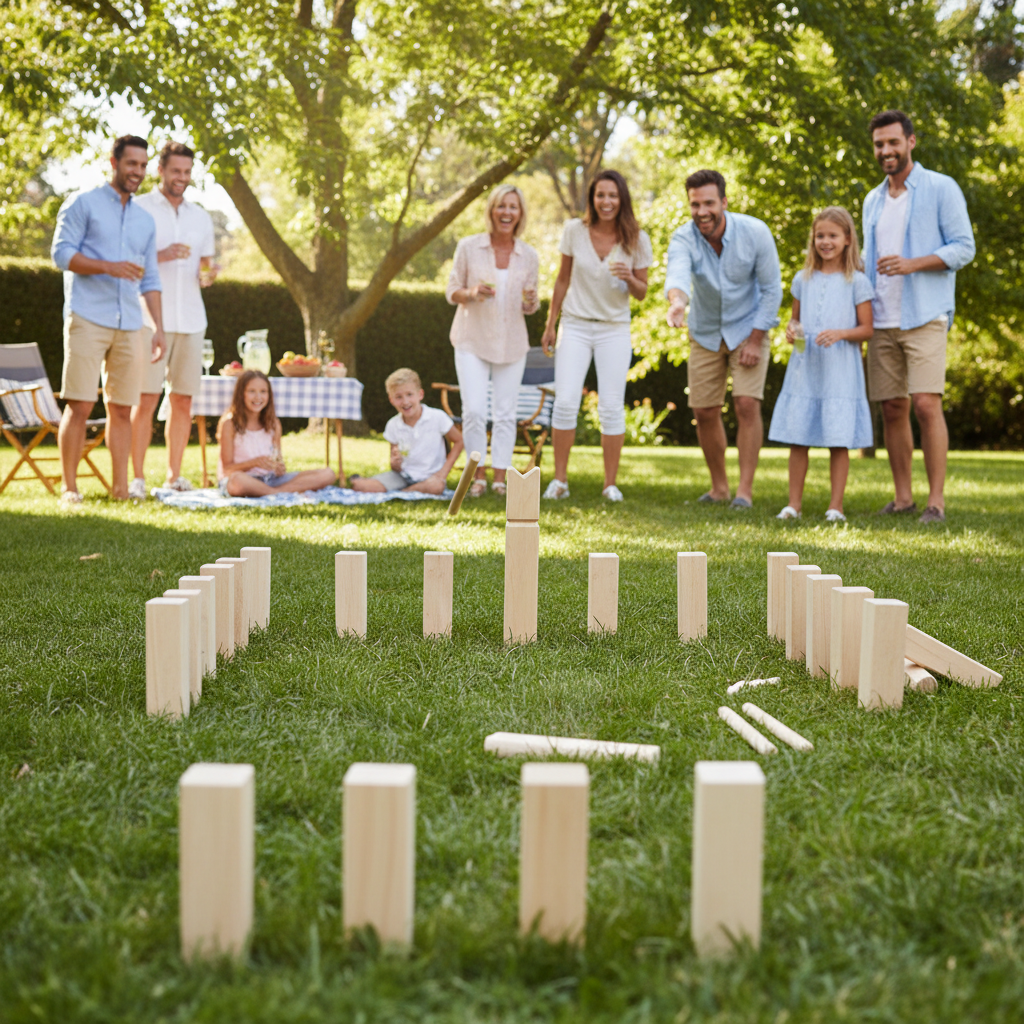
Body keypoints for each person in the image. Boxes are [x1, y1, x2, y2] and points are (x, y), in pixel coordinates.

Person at [862, 110, 976, 524]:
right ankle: (903, 497)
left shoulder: (941, 188)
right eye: (879, 144)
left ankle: (936, 502)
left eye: (893, 142)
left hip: (925, 313)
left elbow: (964, 248)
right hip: (882, 316)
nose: (886, 151)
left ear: (911, 141)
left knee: (926, 404)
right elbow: (867, 260)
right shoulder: (872, 200)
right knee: (892, 407)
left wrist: (913, 264)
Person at [51, 135, 166, 503]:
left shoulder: (145, 221)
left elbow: (149, 279)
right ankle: (70, 489)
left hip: (131, 322)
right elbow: (61, 253)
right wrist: (108, 267)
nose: (138, 172)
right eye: (132, 164)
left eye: (144, 165)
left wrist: (158, 328)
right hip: (87, 315)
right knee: (80, 404)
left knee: (122, 408)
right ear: (114, 162)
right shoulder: (82, 204)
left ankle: (120, 489)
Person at [665, 169, 782, 509]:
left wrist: (757, 339)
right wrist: (677, 304)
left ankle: (744, 492)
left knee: (746, 403)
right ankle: (719, 488)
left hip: (749, 328)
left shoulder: (755, 232)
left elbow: (772, 289)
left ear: (724, 202)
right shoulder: (683, 238)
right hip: (704, 332)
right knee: (704, 410)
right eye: (695, 204)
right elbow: (677, 274)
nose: (702, 211)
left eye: (709, 203)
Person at [540, 169, 651, 501]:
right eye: (601, 195)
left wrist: (630, 277)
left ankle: (610, 484)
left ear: (622, 200)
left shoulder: (636, 238)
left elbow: (643, 292)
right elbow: (562, 280)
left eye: (613, 196)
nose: (606, 202)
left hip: (613, 330)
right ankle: (560, 481)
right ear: (592, 198)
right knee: (565, 402)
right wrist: (550, 324)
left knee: (612, 407)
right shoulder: (575, 230)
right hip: (574, 325)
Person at [768, 207, 875, 522]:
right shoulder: (803, 279)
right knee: (798, 437)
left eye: (832, 235)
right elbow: (795, 321)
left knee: (837, 439)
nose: (825, 242)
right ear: (812, 239)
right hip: (806, 368)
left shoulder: (857, 281)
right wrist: (792, 331)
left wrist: (841, 333)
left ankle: (835, 506)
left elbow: (867, 329)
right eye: (820, 236)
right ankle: (793, 505)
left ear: (846, 239)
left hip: (841, 371)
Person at [129, 141, 219, 498]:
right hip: (150, 321)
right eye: (175, 171)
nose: (181, 178)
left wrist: (210, 274)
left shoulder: (200, 216)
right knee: (146, 398)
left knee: (183, 400)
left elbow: (206, 266)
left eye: (186, 171)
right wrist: (161, 255)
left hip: (193, 319)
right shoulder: (139, 209)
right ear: (161, 171)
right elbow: (128, 260)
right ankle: (137, 478)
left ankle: (173, 475)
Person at [446, 185, 539, 497]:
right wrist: (471, 293)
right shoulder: (469, 247)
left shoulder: (529, 255)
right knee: (473, 411)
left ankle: (500, 478)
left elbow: (529, 305)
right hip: (472, 339)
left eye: (513, 207)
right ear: (491, 211)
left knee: (505, 413)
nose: (507, 212)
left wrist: (531, 302)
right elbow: (451, 291)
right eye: (501, 206)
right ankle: (478, 475)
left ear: (520, 214)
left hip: (512, 344)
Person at [216, 371, 337, 496]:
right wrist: (254, 463)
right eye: (252, 391)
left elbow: (278, 460)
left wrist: (279, 468)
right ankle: (278, 492)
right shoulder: (230, 424)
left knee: (328, 474)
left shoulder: (273, 423)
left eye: (263, 391)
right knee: (236, 481)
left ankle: (273, 492)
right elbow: (227, 470)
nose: (258, 397)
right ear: (241, 395)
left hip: (270, 480)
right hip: (243, 480)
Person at [350, 368, 464, 494]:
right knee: (359, 486)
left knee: (436, 487)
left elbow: (459, 441)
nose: (405, 402)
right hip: (402, 477)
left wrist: (443, 473)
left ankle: (403, 492)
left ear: (420, 394)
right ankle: (405, 490)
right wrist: (395, 463)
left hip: (430, 478)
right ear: (391, 400)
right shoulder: (393, 425)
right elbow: (395, 466)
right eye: (398, 397)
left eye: (409, 394)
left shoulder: (437, 417)